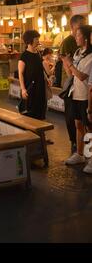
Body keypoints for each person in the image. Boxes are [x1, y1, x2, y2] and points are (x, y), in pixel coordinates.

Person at [62, 25, 92, 170]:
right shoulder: (78, 52)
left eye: (78, 35)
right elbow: (72, 74)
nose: (75, 37)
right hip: (75, 95)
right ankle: (80, 154)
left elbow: (81, 76)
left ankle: (91, 158)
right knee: (78, 125)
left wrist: (70, 65)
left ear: (86, 38)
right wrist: (66, 63)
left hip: (87, 96)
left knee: (90, 128)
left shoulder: (91, 57)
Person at [56, 14, 85, 153]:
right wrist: (74, 82)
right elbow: (66, 65)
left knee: (82, 117)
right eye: (80, 27)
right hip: (71, 83)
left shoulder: (85, 41)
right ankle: (74, 142)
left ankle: (83, 145)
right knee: (71, 115)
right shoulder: (68, 41)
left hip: (81, 83)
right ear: (72, 27)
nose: (82, 30)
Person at [18, 30, 47, 120]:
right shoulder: (24, 56)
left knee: (41, 111)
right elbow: (21, 73)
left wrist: (47, 79)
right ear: (30, 40)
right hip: (30, 88)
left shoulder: (38, 53)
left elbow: (40, 70)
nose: (38, 41)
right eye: (36, 39)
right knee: (30, 114)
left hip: (40, 87)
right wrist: (23, 89)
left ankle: (40, 133)